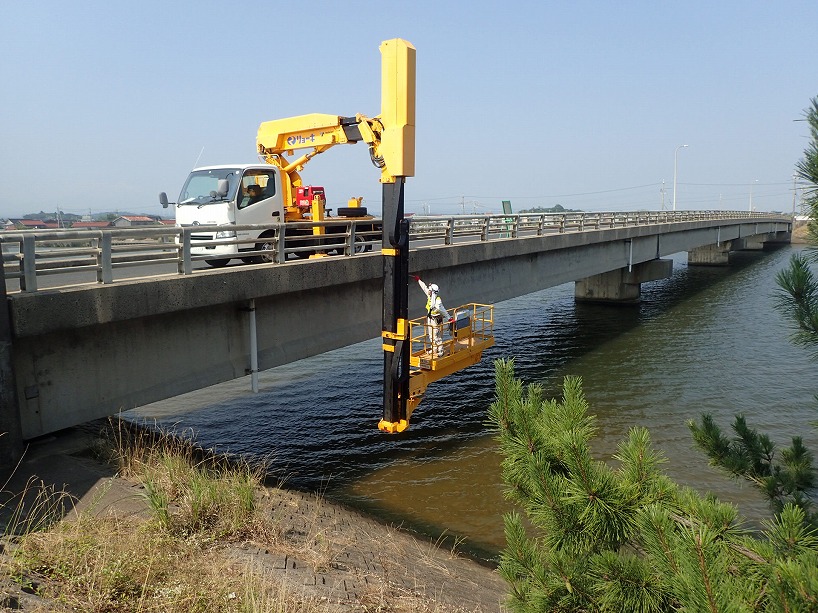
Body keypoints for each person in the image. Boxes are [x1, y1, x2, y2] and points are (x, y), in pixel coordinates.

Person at [413, 275, 451, 357]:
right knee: (431, 335)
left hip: (436, 319)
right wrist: (418, 280)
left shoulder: (437, 302)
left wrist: (449, 318)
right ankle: (434, 349)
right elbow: (424, 287)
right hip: (430, 318)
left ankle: (440, 350)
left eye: (430, 290)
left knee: (436, 335)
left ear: (433, 292)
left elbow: (443, 310)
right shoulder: (430, 296)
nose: (428, 291)